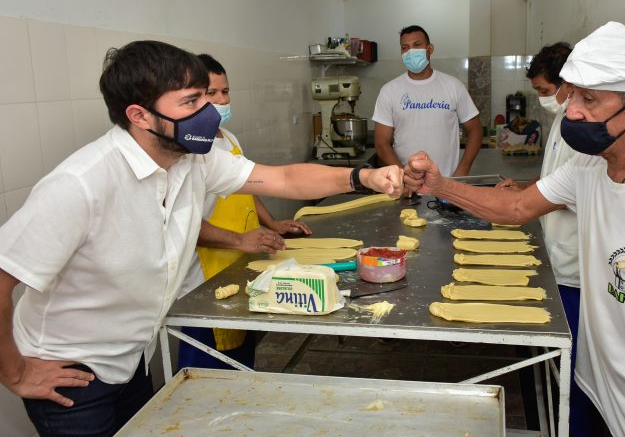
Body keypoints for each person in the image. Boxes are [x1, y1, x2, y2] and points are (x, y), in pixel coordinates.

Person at [0, 40, 402, 437]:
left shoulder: (194, 159)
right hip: (71, 374)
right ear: (140, 115)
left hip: (129, 361)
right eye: (191, 102)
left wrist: (363, 177)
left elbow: (282, 177)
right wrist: (16, 373)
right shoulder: (81, 184)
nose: (208, 112)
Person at [404, 22, 625, 437]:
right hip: (599, 391)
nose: (571, 110)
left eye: (588, 99)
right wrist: (440, 185)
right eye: (572, 94)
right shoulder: (594, 163)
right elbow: (518, 206)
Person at [175, 53, 313, 370]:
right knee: (205, 370)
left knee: (240, 362)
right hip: (204, 276)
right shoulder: (189, 150)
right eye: (212, 93)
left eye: (226, 91)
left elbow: (246, 190)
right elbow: (185, 224)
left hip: (240, 265)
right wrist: (239, 239)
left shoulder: (230, 139)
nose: (222, 100)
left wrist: (273, 223)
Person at [497, 42, 595, 435]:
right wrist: (526, 185)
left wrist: (521, 200)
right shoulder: (563, 122)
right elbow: (557, 179)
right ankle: (556, 418)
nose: (542, 100)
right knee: (561, 366)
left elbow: (565, 196)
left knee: (575, 371)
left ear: (567, 84)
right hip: (557, 255)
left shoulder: (583, 131)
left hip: (575, 270)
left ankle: (572, 426)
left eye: (543, 90)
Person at [373, 25, 482, 177]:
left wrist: (463, 169)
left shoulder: (453, 86)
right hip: (409, 186)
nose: (411, 52)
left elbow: (475, 130)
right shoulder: (389, 91)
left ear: (430, 49)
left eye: (417, 45)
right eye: (405, 47)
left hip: (448, 184)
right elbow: (381, 143)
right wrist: (404, 175)